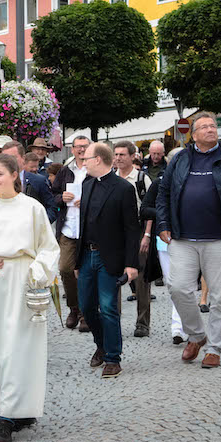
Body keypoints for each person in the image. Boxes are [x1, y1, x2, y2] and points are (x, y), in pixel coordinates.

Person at [0, 153, 59, 442]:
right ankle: (15, 408)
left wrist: (35, 272)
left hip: (21, 280)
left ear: (15, 175)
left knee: (20, 347)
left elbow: (48, 248)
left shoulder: (32, 208)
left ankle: (8, 416)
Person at [155, 112, 221, 369]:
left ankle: (215, 348)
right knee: (177, 287)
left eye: (213, 126)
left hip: (220, 238)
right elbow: (164, 193)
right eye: (205, 127)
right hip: (183, 237)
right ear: (194, 134)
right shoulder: (180, 159)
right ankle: (197, 335)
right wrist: (163, 224)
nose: (211, 130)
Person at [76, 142, 139, 377]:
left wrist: (132, 263)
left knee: (109, 307)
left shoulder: (123, 188)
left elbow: (132, 228)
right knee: (86, 307)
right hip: (86, 255)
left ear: (99, 160)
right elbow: (83, 223)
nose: (83, 162)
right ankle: (101, 345)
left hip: (109, 257)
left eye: (86, 158)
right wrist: (76, 261)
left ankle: (113, 357)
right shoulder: (87, 184)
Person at [139, 166, 187, 345]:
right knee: (174, 285)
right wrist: (166, 214)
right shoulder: (159, 184)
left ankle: (181, 327)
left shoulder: (194, 183)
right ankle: (179, 327)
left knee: (184, 285)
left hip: (191, 240)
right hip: (165, 242)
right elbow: (144, 210)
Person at [50, 135, 90, 330]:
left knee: (85, 273)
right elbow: (52, 195)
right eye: (78, 147)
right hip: (68, 228)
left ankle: (85, 313)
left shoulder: (94, 170)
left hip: (89, 229)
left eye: (85, 147)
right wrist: (61, 197)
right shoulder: (65, 171)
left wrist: (89, 202)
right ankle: (74, 308)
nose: (82, 150)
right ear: (72, 150)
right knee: (66, 269)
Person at [114, 140, 152, 337]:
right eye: (116, 155)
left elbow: (150, 210)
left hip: (137, 231)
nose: (118, 158)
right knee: (115, 277)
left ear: (132, 156)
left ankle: (142, 323)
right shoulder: (110, 178)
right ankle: (114, 321)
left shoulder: (141, 179)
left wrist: (147, 235)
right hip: (116, 233)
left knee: (141, 279)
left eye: (122, 155)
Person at [0, 140, 56, 224]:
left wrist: (39, 225)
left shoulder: (38, 181)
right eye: (5, 158)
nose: (8, 162)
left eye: (13, 157)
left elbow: (51, 208)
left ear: (23, 158)